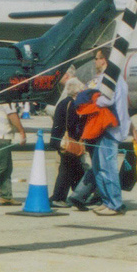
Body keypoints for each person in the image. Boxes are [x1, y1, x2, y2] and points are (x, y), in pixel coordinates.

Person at [71, 47, 130, 216]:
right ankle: (107, 200)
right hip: (105, 128)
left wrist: (92, 100)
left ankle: (115, 203)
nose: (95, 62)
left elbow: (106, 100)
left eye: (97, 59)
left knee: (107, 168)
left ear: (104, 60)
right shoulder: (109, 78)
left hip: (109, 129)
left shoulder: (110, 79)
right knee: (99, 167)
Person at [50, 77, 87, 209]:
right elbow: (71, 125)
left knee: (74, 169)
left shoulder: (64, 103)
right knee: (67, 170)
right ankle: (59, 197)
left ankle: (77, 196)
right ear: (77, 93)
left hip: (59, 140)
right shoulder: (72, 105)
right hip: (67, 142)